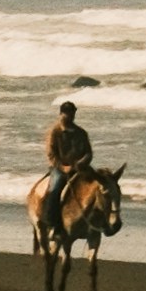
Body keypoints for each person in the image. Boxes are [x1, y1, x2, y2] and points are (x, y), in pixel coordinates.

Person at [40, 100, 93, 244]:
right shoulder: (54, 132)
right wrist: (63, 167)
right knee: (55, 188)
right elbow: (51, 154)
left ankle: (97, 223)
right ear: (61, 114)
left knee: (97, 186)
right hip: (60, 168)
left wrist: (82, 163)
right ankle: (53, 225)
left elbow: (88, 152)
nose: (70, 116)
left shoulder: (81, 133)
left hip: (80, 168)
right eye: (67, 113)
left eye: (72, 113)